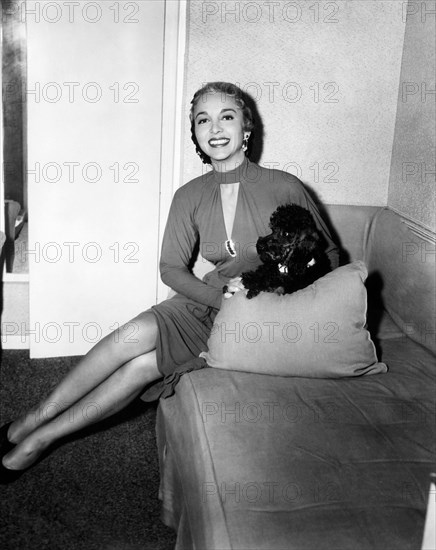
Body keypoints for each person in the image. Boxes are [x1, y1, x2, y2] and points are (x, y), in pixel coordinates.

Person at [0, 82, 339, 483]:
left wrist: (278, 294)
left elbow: (330, 257)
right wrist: (217, 297)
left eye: (226, 116)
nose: (215, 127)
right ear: (195, 134)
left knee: (144, 365)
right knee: (132, 335)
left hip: (263, 314)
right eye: (202, 120)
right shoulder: (189, 195)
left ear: (246, 128)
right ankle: (32, 421)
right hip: (210, 299)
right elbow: (171, 269)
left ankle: (39, 441)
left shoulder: (284, 186)